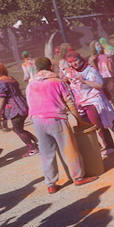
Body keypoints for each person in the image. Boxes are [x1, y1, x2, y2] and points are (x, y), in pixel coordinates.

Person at [26, 57, 97, 193]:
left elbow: (30, 103)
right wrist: (79, 120)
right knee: (69, 149)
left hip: (37, 120)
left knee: (46, 154)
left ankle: (51, 184)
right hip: (56, 119)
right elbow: (69, 101)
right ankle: (78, 177)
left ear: (37, 69)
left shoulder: (31, 84)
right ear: (51, 67)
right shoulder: (57, 82)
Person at [65, 50, 114, 157]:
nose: (74, 64)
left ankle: (109, 145)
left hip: (93, 100)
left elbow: (100, 85)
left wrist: (84, 81)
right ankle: (96, 146)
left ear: (80, 59)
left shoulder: (90, 70)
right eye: (71, 62)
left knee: (98, 124)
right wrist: (66, 80)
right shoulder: (70, 72)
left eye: (75, 60)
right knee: (86, 126)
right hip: (80, 103)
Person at [0, 62, 38, 157]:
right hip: (23, 105)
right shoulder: (10, 79)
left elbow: (1, 98)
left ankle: (33, 148)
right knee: (18, 129)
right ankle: (33, 141)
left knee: (18, 129)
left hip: (15, 109)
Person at [91, 39, 114, 117]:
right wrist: (93, 62)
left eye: (99, 45)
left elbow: (111, 68)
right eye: (97, 45)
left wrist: (110, 61)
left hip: (109, 77)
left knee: (113, 95)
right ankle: (110, 114)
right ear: (93, 48)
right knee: (105, 98)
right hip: (100, 79)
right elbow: (93, 70)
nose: (99, 47)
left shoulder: (106, 55)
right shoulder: (93, 58)